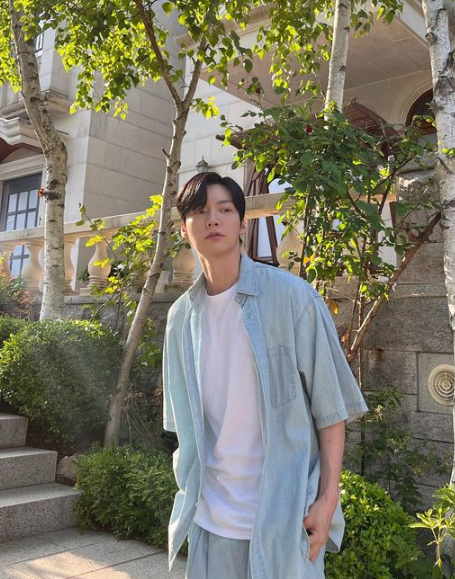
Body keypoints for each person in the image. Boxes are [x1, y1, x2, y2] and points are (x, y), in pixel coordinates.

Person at [162, 172, 368, 579]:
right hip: (210, 523)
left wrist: (328, 499)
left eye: (225, 209)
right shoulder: (180, 318)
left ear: (242, 224)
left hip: (284, 524)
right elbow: (184, 429)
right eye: (200, 211)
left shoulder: (292, 297)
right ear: (184, 229)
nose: (213, 219)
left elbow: (331, 408)